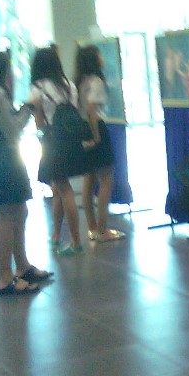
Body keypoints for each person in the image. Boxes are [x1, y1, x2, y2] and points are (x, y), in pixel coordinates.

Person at [0, 50, 52, 294]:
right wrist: (29, 109)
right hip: (3, 162)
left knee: (19, 211)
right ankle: (5, 277)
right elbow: (14, 131)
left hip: (3, 161)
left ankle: (22, 266)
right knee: (8, 215)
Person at [29, 46, 87, 255]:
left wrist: (41, 140)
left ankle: (76, 241)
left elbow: (38, 120)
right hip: (71, 141)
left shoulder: (37, 88)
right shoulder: (69, 85)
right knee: (58, 188)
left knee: (64, 190)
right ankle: (55, 235)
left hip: (53, 142)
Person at [74, 45, 123, 243]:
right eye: (99, 55)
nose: (102, 58)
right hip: (95, 127)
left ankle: (92, 227)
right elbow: (92, 109)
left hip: (82, 128)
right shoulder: (96, 81)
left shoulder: (79, 81)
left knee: (89, 178)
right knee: (106, 179)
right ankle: (102, 229)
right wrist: (96, 136)